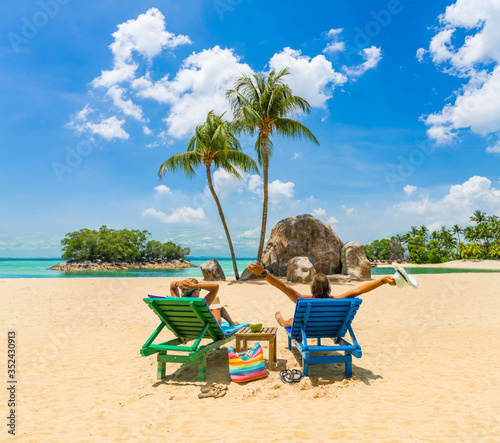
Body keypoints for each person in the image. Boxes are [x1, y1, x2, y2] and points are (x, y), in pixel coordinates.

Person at [247, 261, 396, 328]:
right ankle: (282, 320)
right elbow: (359, 290)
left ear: (312, 287)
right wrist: (382, 280)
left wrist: (263, 273)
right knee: (294, 319)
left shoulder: (303, 300)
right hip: (329, 327)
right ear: (328, 287)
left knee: (290, 321)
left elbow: (283, 287)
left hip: (307, 327)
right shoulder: (338, 300)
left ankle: (280, 320)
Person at [169, 277, 239, 326]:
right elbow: (216, 287)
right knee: (216, 303)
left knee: (214, 303)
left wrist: (178, 284)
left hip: (184, 328)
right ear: (196, 291)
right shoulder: (200, 304)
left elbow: (172, 286)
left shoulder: (176, 301)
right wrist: (195, 285)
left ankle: (231, 323)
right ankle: (231, 323)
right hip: (204, 329)